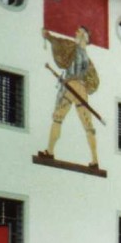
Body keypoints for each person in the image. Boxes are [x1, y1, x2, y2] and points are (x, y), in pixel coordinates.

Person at [42, 26, 100, 167]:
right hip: (77, 88)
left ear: (85, 36)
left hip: (73, 87)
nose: (75, 33)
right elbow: (59, 42)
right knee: (85, 124)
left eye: (79, 32)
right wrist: (49, 37)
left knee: (59, 118)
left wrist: (49, 37)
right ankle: (95, 160)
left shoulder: (77, 51)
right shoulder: (81, 54)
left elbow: (59, 43)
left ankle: (50, 152)